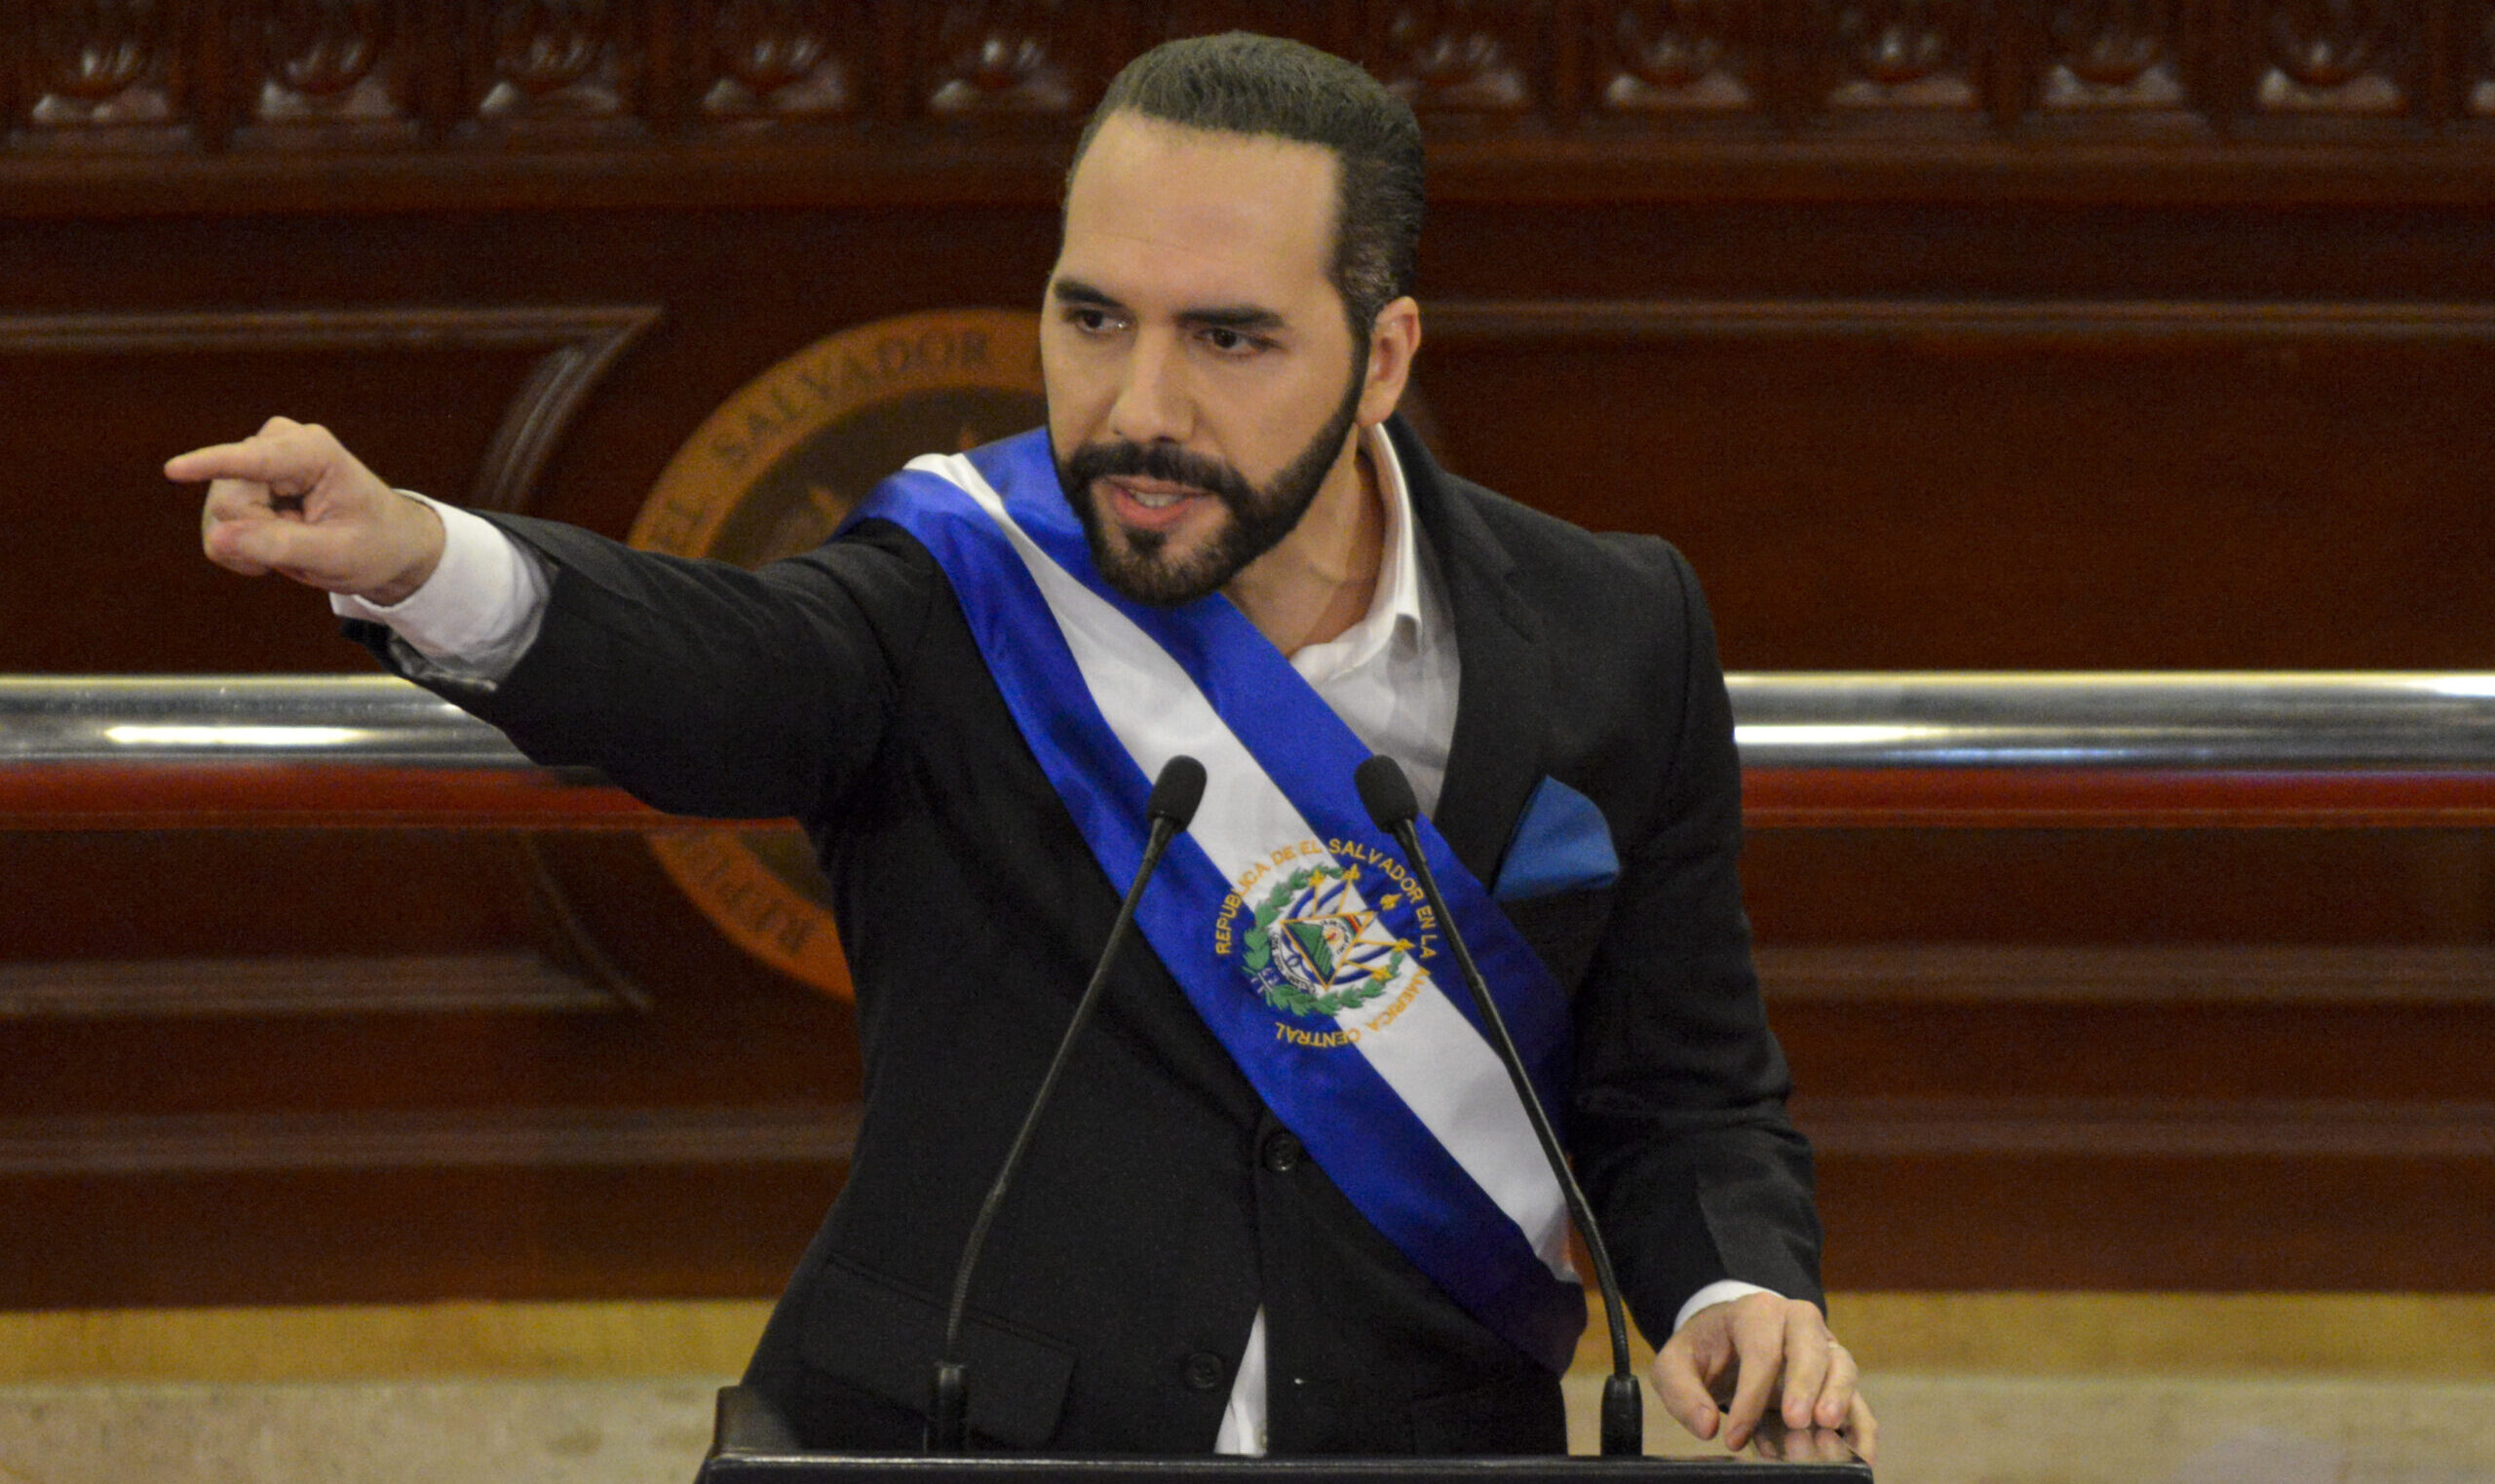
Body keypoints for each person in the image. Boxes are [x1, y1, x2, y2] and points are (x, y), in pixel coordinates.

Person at [168, 32, 1873, 1464]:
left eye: (1229, 338)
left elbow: (1686, 1096)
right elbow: (719, 668)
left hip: (1431, 1446)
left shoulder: (1615, 627)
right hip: (954, 1442)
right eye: (1092, 317)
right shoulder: (957, 585)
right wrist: (416, 558)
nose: (1138, 405)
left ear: (1383, 359)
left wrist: (1736, 1293)